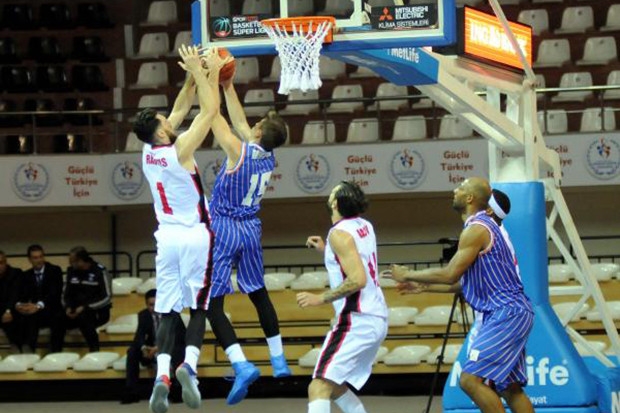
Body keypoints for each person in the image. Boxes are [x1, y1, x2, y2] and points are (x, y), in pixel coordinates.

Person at [388, 177, 534, 413]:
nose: (455, 190)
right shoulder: (485, 228)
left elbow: (449, 274)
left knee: (469, 380)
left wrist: (407, 275)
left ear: (469, 198)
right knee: (510, 388)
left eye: (461, 188)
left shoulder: (478, 229)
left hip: (505, 312)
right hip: (513, 311)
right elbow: (463, 283)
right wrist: (424, 286)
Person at [133, 45, 226, 413]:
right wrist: (211, 73)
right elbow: (210, 111)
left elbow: (182, 107)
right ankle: (189, 365)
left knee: (169, 310)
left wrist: (191, 73)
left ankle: (161, 376)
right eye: (164, 122)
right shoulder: (181, 150)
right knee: (199, 305)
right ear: (159, 133)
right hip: (194, 235)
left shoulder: (148, 151)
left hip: (165, 238)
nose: (170, 122)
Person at [204, 65, 289, 404]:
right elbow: (241, 123)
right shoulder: (268, 157)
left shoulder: (238, 152)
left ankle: (240, 364)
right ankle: (279, 361)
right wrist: (228, 86)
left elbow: (215, 120)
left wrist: (207, 81)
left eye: (255, 126)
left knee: (212, 301)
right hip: (252, 228)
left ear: (256, 134)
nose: (250, 125)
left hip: (224, 226)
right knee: (258, 293)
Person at [297, 181, 388, 413]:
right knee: (335, 384)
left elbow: (358, 279)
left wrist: (321, 298)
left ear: (335, 203)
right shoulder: (364, 225)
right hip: (375, 316)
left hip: (356, 319)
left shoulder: (339, 234)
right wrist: (327, 249)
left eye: (332, 193)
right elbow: (355, 256)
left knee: (318, 386)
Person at [122, 289, 186, 405]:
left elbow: (180, 336)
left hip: (169, 349)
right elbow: (139, 336)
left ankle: (177, 390)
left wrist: (158, 348)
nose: (154, 307)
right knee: (132, 352)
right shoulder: (143, 315)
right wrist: (144, 348)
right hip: (151, 350)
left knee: (179, 350)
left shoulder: (172, 313)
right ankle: (131, 391)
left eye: (156, 304)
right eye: (151, 305)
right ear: (146, 305)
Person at [51, 246, 112, 353]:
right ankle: (56, 353)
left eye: (72, 261)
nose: (70, 264)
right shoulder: (71, 272)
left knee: (85, 318)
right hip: (74, 310)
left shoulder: (100, 271)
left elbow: (107, 297)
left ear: (80, 261)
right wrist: (68, 308)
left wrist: (85, 307)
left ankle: (94, 352)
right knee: (57, 318)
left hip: (95, 311)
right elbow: (65, 294)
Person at [15, 244, 63, 353]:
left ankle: (56, 352)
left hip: (51, 308)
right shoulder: (26, 275)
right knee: (26, 316)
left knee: (58, 318)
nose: (39, 260)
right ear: (29, 259)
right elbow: (22, 295)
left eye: (41, 257)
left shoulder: (55, 270)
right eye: (35, 258)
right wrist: (20, 305)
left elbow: (54, 293)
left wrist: (38, 305)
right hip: (35, 311)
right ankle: (28, 351)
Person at [0, 251, 22, 351]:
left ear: (6, 262)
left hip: (11, 309)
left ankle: (17, 348)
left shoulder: (15, 273)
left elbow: (15, 295)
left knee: (13, 319)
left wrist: (8, 310)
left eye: (1, 263)